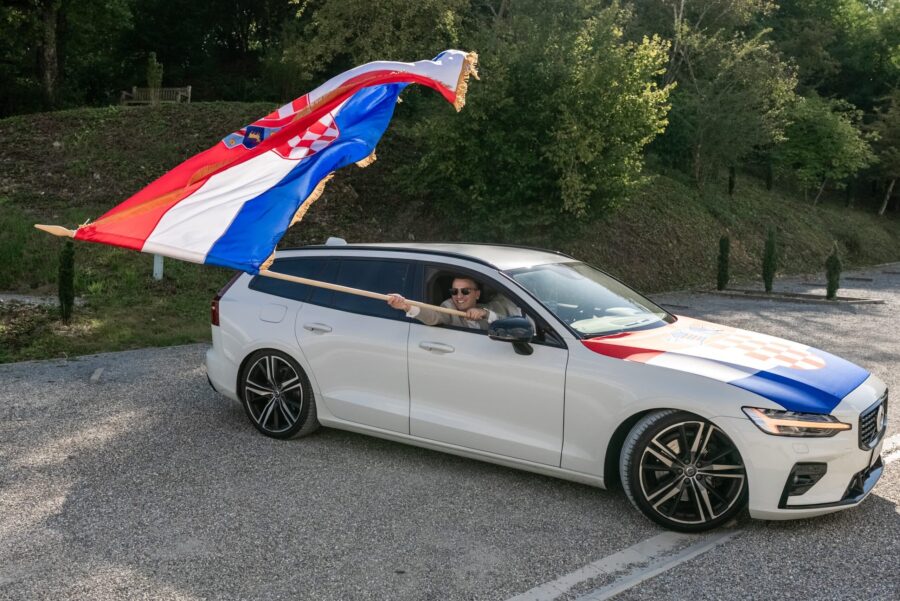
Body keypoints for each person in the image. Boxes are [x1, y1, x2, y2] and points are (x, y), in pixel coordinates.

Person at [386, 275, 516, 331]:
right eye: (454, 291)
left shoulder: (487, 308)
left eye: (465, 291)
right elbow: (433, 317)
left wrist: (484, 313)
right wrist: (406, 306)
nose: (459, 296)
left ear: (477, 294)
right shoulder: (448, 307)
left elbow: (507, 323)